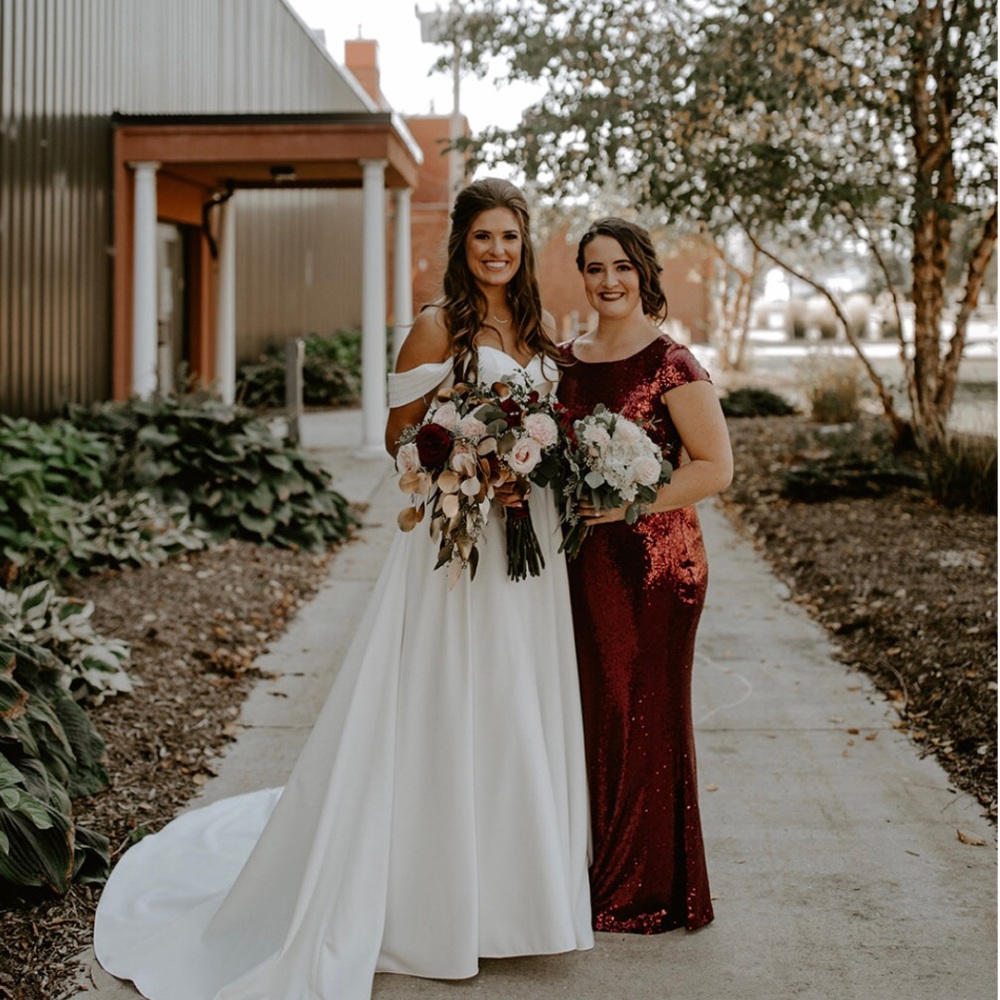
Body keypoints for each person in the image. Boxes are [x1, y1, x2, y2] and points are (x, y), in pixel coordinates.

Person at [92, 178, 593, 999]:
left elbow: (551, 426)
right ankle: (431, 896)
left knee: (515, 701)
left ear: (522, 244)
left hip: (525, 542)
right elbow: (402, 441)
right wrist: (468, 463)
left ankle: (513, 896)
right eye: (482, 239)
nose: (497, 251)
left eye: (509, 237)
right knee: (449, 700)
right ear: (461, 246)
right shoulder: (437, 327)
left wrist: (529, 469)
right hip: (455, 544)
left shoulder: (538, 329)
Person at [556, 217, 733, 935]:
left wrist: (627, 501)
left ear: (644, 273)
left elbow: (715, 469)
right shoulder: (564, 360)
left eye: (622, 267)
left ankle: (646, 891)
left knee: (641, 719)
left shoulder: (672, 363)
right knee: (593, 717)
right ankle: (595, 869)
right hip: (582, 564)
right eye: (595, 268)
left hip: (658, 567)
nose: (608, 282)